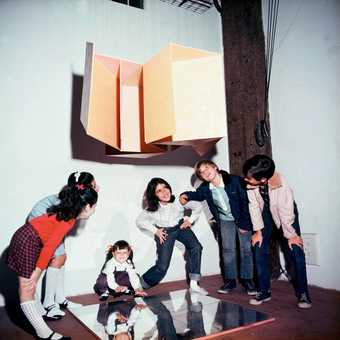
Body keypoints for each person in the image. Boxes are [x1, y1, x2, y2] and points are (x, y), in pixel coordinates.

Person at [7, 185, 98, 340]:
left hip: (27, 238)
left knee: (28, 286)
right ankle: (44, 334)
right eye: (95, 205)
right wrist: (36, 274)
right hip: (27, 241)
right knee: (27, 288)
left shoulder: (66, 214)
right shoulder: (67, 220)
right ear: (88, 206)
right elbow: (50, 248)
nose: (95, 209)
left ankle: (42, 323)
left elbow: (48, 244)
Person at [243, 154, 312, 308]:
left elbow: (285, 211)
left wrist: (291, 235)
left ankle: (303, 294)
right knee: (258, 246)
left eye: (249, 178)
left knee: (295, 249)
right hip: (264, 214)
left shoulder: (282, 185)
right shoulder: (251, 184)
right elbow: (253, 207)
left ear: (263, 179)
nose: (245, 180)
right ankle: (264, 291)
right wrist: (258, 231)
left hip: (285, 215)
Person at [28, 172, 99, 319]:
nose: (95, 187)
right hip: (38, 224)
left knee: (61, 258)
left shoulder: (73, 198)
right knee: (59, 257)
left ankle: (59, 299)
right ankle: (49, 303)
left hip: (48, 221)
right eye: (92, 185)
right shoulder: (70, 202)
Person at [180, 160, 256, 295]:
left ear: (215, 167)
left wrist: (244, 224)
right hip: (225, 220)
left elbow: (245, 202)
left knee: (246, 250)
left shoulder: (234, 181)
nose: (205, 172)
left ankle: (247, 281)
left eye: (207, 168)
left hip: (242, 218)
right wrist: (184, 195)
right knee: (227, 250)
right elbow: (197, 195)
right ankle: (230, 281)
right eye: (201, 172)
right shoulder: (205, 188)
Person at [136, 177, 207, 294]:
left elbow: (197, 206)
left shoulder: (179, 200)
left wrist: (190, 220)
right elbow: (140, 221)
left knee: (196, 247)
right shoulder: (151, 209)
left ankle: (194, 283)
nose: (164, 192)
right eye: (159, 191)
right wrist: (155, 231)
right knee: (162, 267)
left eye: (165, 188)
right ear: (154, 195)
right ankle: (140, 284)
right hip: (165, 232)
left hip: (180, 227)